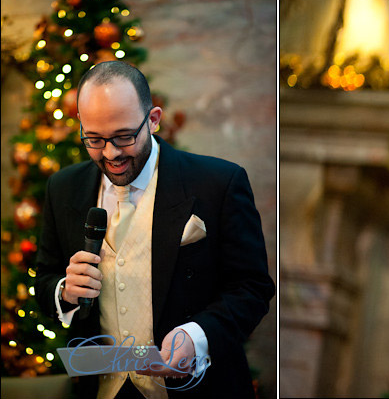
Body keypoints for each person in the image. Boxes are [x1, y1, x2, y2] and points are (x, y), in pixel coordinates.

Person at [35, 61, 275, 399]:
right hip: (101, 388)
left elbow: (252, 287)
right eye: (94, 139)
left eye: (124, 136)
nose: (111, 153)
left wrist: (197, 336)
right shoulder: (62, 188)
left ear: (153, 119)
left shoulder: (218, 183)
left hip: (194, 390)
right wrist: (65, 291)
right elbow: (44, 278)